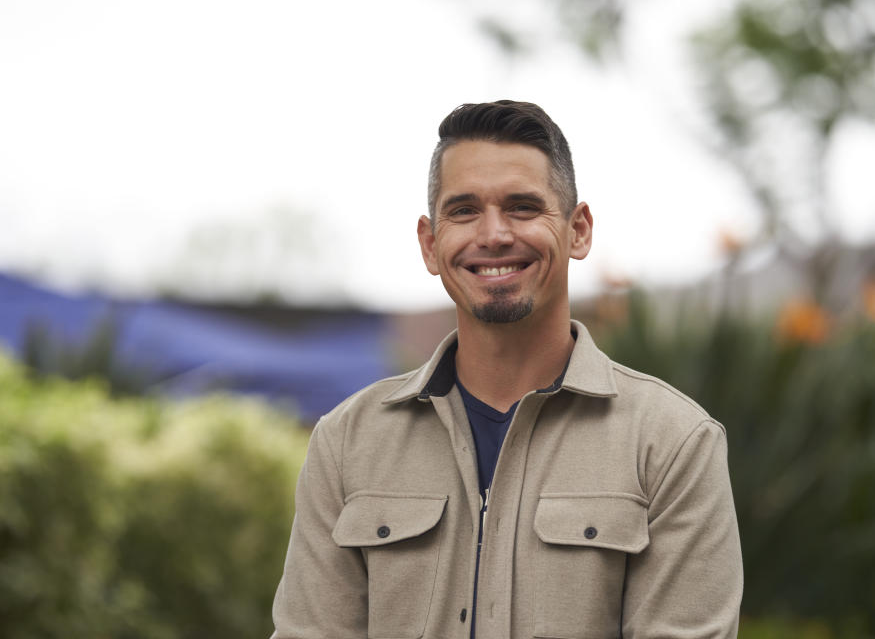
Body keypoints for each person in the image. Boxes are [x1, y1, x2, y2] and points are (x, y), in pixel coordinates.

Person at [271, 100, 743, 638]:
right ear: (430, 243)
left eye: (522, 207)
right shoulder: (348, 443)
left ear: (579, 230)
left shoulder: (672, 443)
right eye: (464, 210)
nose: (493, 234)